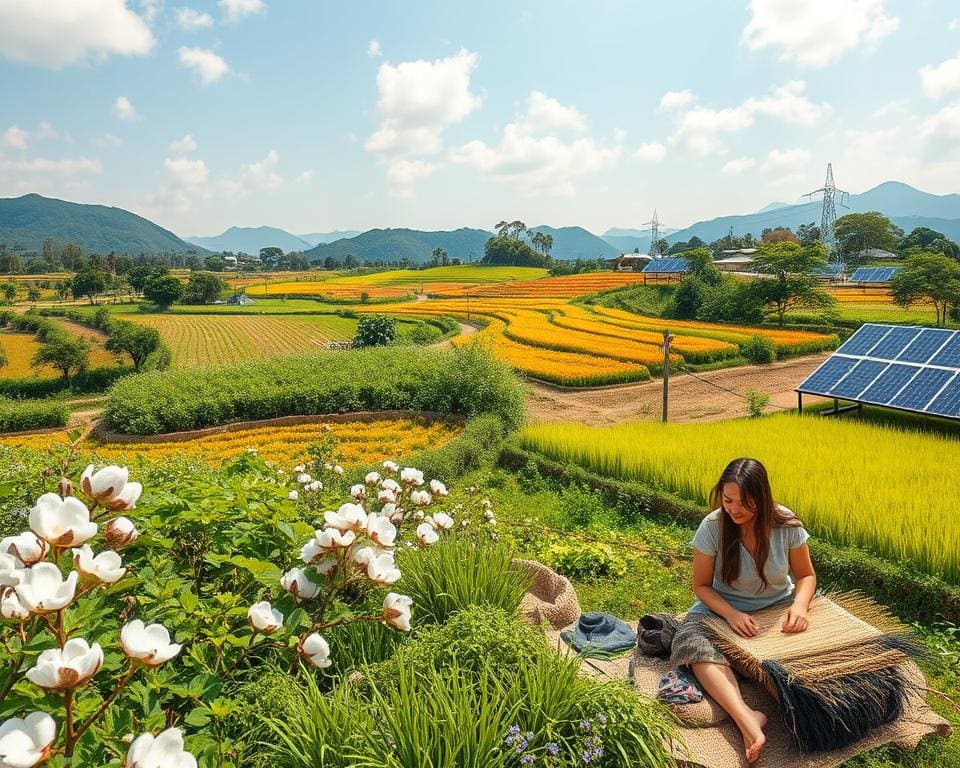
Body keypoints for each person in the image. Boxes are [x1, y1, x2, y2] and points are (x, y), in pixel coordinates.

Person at [670, 457, 816, 765]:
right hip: (721, 611)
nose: (734, 509)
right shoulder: (712, 527)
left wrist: (800, 606)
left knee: (804, 664)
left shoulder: (786, 523)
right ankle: (746, 718)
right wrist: (732, 614)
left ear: (762, 497)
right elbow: (701, 586)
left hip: (777, 610)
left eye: (745, 502)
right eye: (728, 500)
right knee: (692, 643)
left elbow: (806, 576)